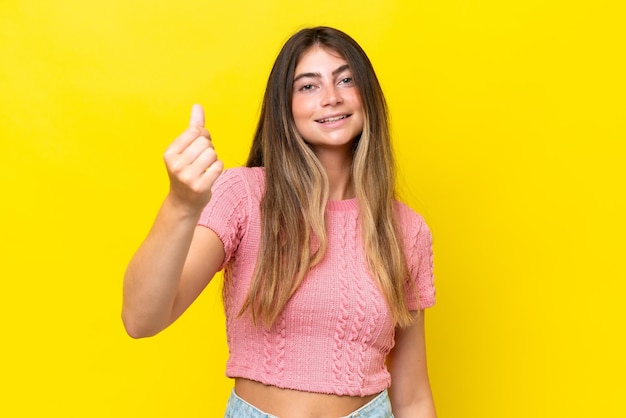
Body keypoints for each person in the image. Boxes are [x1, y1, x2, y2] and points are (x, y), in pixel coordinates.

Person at [122, 26, 437, 418]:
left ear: (367, 96)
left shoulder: (406, 230)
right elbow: (141, 319)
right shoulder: (243, 196)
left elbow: (412, 396)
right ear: (284, 106)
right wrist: (180, 206)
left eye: (346, 79)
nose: (331, 97)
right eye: (308, 86)